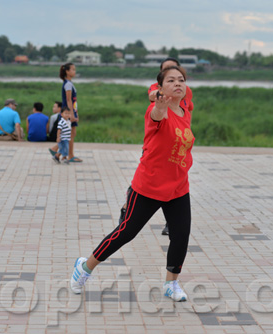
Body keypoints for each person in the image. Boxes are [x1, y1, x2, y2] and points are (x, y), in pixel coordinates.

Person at [71, 66, 195, 302]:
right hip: (149, 185)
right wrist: (158, 102)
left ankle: (171, 283)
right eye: (171, 81)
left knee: (181, 234)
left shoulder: (185, 107)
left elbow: (178, 96)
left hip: (179, 186)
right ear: (160, 87)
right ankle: (84, 267)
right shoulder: (156, 111)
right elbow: (157, 109)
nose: (178, 84)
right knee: (126, 232)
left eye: (181, 80)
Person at [120, 57, 195, 237]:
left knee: (175, 188)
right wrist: (160, 102)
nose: (176, 80)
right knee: (131, 226)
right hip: (159, 136)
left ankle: (172, 223)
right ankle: (128, 207)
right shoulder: (157, 90)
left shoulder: (185, 91)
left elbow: (189, 106)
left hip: (177, 140)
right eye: (168, 73)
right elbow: (154, 98)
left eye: (178, 75)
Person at [60, 63, 82, 162]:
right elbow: (69, 100)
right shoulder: (68, 84)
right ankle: (70, 155)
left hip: (71, 111)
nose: (74, 71)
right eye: (72, 70)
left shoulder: (68, 83)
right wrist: (71, 114)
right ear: (67, 72)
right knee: (71, 134)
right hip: (69, 112)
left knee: (71, 133)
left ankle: (57, 151)